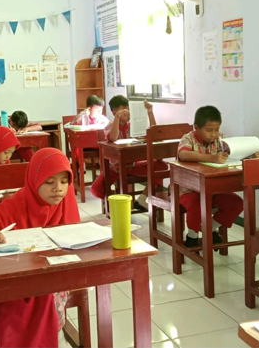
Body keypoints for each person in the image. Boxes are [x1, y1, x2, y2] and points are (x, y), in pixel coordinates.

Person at [0, 148, 80, 347]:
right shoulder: (17, 203)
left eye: (64, 181)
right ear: (34, 180)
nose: (58, 189)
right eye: (49, 182)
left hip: (56, 275)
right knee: (25, 300)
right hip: (18, 279)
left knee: (50, 290)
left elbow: (78, 240)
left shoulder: (66, 202)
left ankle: (51, 338)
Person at [177, 106, 244, 248]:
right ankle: (192, 235)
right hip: (188, 190)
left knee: (236, 203)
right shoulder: (188, 138)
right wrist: (211, 158)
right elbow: (183, 154)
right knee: (197, 203)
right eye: (209, 130)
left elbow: (233, 150)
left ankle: (209, 228)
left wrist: (249, 153)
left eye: (217, 129)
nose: (214, 134)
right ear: (196, 128)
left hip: (214, 189)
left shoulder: (220, 139)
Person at [90, 95, 166, 210]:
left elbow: (155, 134)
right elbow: (113, 138)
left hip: (133, 165)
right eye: (124, 110)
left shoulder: (133, 126)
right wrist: (117, 118)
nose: (128, 113)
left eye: (129, 110)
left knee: (161, 166)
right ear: (115, 112)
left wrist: (150, 112)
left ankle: (142, 199)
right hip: (116, 167)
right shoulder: (110, 126)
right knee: (95, 189)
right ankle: (116, 201)